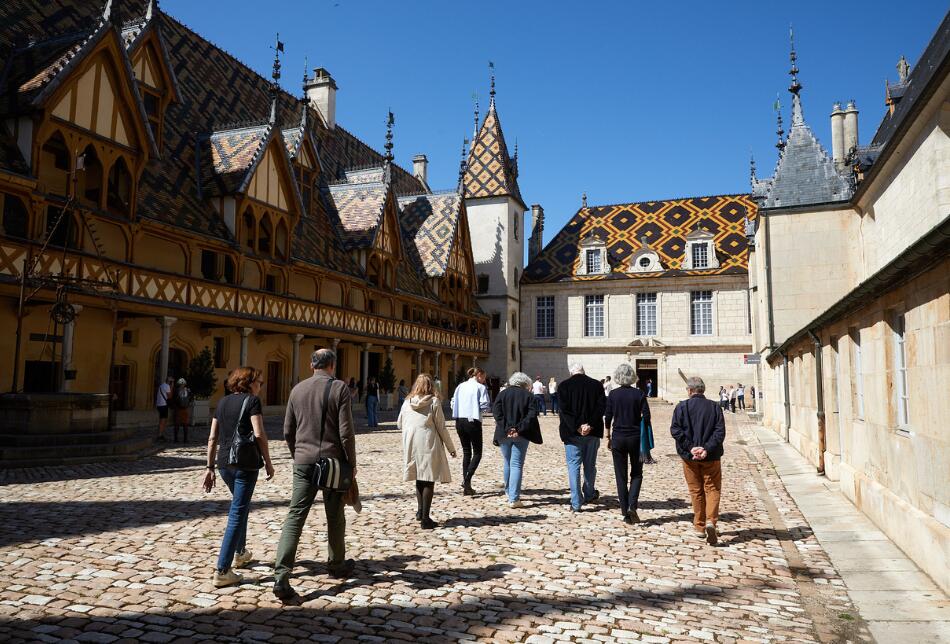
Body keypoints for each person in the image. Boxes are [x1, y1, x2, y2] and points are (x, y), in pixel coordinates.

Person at [274, 349, 357, 601]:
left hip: (303, 460)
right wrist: (351, 462)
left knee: (295, 516)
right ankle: (336, 563)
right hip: (332, 461)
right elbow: (345, 432)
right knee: (335, 514)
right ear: (332, 365)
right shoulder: (339, 388)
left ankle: (281, 575)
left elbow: (288, 430)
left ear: (312, 365)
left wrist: (297, 453)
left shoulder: (297, 389)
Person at [202, 366, 275, 588]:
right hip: (245, 463)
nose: (260, 386)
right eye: (259, 382)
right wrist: (269, 462)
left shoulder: (222, 402)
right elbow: (259, 433)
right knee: (237, 512)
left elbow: (212, 437)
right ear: (249, 383)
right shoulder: (252, 401)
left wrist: (210, 467)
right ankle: (223, 570)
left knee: (240, 505)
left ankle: (241, 552)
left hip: (224, 464)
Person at [670, 376, 726, 545]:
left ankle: (700, 527)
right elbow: (720, 432)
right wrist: (706, 448)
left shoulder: (681, 407)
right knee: (712, 489)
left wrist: (691, 448)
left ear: (689, 391)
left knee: (696, 491)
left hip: (689, 457)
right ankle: (711, 521)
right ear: (703, 390)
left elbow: (675, 430)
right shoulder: (715, 407)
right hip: (711, 456)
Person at [399, 374, 456, 528]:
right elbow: (441, 427)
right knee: (428, 479)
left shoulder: (406, 402)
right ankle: (426, 518)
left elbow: (399, 423)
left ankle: (419, 511)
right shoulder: (434, 402)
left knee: (419, 477)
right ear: (431, 386)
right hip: (428, 443)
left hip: (411, 444)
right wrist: (451, 448)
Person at [604, 363, 651, 524]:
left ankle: (625, 511)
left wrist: (608, 436)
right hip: (636, 438)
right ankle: (632, 506)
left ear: (617, 377)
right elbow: (647, 416)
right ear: (632, 377)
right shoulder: (639, 394)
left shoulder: (613, 395)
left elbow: (608, 417)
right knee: (637, 473)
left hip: (618, 437)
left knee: (620, 475)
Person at [557, 363, 606, 512]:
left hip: (572, 433)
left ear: (571, 373)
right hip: (592, 432)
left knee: (573, 466)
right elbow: (601, 407)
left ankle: (576, 502)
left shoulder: (564, 386)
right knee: (590, 465)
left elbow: (563, 411)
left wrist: (577, 426)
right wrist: (589, 425)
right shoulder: (596, 385)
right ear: (584, 372)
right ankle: (590, 494)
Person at [492, 372, 542, 508]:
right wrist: (517, 429)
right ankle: (514, 498)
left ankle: (509, 492)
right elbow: (531, 416)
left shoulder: (502, 394)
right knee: (516, 464)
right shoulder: (528, 396)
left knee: (508, 462)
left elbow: (497, 413)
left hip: (504, 434)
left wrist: (508, 428)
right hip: (522, 434)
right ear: (525, 383)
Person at [450, 367, 491, 495]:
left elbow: (452, 403)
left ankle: (467, 486)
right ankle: (467, 480)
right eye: (484, 377)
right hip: (473, 420)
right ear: (479, 375)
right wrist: (481, 409)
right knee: (477, 452)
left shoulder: (460, 386)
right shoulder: (480, 387)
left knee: (466, 452)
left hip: (459, 421)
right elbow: (484, 405)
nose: (484, 381)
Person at [172, 377, 192, 443]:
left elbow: (174, 399)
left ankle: (176, 439)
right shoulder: (187, 390)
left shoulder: (176, 390)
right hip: (185, 409)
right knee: (185, 424)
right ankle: (185, 439)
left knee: (177, 424)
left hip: (178, 409)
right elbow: (190, 398)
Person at [155, 377, 173, 441]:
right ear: (169, 382)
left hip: (159, 404)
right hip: (163, 405)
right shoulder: (167, 386)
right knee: (163, 421)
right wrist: (171, 387)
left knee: (161, 420)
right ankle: (160, 435)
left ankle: (160, 434)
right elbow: (170, 396)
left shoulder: (162, 385)